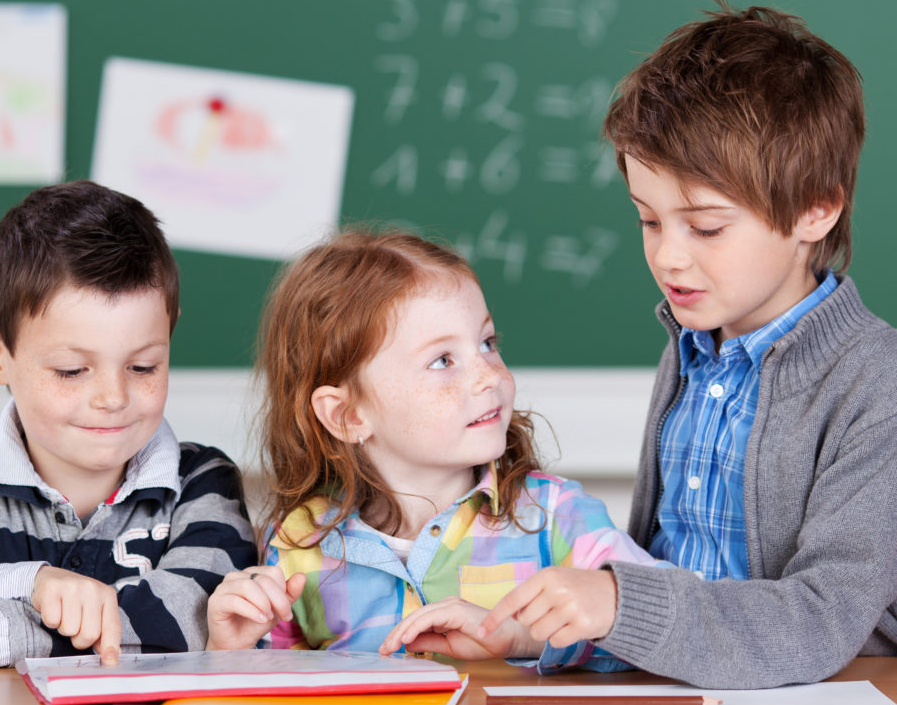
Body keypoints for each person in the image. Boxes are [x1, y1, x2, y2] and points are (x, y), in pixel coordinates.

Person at [478, 0, 897, 694]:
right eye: (648, 220)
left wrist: (620, 603)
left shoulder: (876, 385)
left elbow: (824, 618)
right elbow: (660, 574)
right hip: (682, 701)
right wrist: (542, 628)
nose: (669, 258)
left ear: (815, 210)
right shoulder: (693, 350)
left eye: (705, 227)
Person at [206, 228, 664, 670]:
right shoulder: (297, 544)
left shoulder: (559, 517)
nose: (489, 376)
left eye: (487, 343)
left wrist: (524, 638)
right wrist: (228, 650)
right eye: (443, 360)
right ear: (348, 416)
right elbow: (272, 694)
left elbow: (665, 627)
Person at [0, 180, 257, 676]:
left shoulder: (202, 481)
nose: (112, 398)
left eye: (143, 367)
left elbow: (191, 619)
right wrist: (30, 582)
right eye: (72, 371)